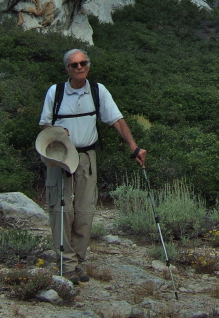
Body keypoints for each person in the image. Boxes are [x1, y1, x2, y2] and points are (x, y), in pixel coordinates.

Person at [39, 48, 147, 284]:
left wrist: (134, 147)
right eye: (74, 65)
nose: (79, 68)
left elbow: (116, 120)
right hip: (59, 156)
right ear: (66, 68)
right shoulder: (55, 92)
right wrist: (57, 132)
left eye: (83, 63)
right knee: (61, 209)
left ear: (88, 65)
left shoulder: (98, 91)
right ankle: (65, 264)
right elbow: (44, 124)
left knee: (85, 210)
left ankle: (77, 260)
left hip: (87, 157)